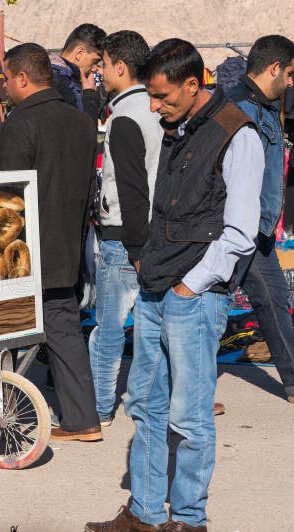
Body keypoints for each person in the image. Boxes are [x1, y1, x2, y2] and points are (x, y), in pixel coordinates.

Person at [86, 39, 264, 531]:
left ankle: (187, 520)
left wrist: (191, 287)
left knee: (189, 419)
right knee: (146, 407)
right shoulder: (175, 126)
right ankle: (144, 514)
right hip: (157, 288)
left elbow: (240, 234)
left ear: (193, 84)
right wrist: (148, 267)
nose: (153, 106)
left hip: (194, 297)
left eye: (162, 97)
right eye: (151, 96)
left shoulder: (238, 134)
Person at [0, 43, 102, 442]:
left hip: (20, 252)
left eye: (5, 78)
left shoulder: (21, 124)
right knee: (64, 330)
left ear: (21, 78)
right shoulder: (82, 122)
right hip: (66, 246)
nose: (4, 87)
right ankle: (83, 418)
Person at [87, 31, 162, 427]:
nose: (98, 72)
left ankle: (100, 407)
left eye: (101, 65)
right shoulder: (157, 108)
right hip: (149, 231)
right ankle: (150, 399)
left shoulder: (127, 116)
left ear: (120, 66)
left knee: (109, 328)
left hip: (125, 235)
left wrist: (132, 246)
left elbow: (131, 186)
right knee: (149, 324)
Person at [228, 35, 294, 405]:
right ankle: (185, 390)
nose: (289, 82)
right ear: (273, 68)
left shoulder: (263, 106)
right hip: (239, 228)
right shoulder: (241, 107)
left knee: (274, 301)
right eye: (288, 74)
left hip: (258, 229)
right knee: (211, 307)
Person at [50, 23, 107, 121]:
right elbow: (86, 130)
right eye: (95, 61)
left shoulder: (52, 75)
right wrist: (89, 94)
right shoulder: (61, 84)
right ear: (80, 53)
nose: (95, 68)